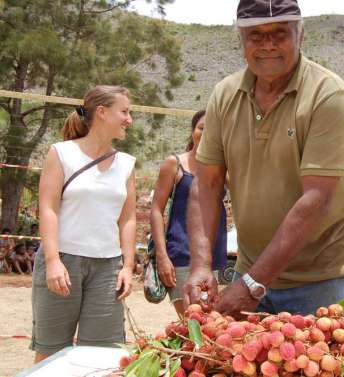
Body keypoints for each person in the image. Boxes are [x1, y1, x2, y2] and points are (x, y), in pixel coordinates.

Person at [184, 0, 344, 317]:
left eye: (280, 33)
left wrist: (253, 284)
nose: (267, 44)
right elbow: (206, 184)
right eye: (256, 35)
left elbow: (317, 198)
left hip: (320, 280)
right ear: (241, 40)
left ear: (301, 35)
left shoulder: (327, 94)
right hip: (249, 270)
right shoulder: (225, 95)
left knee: (319, 365)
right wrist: (200, 265)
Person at [31, 85, 136, 362]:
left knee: (102, 356)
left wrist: (127, 265)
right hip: (63, 262)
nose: (129, 119)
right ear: (101, 112)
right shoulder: (61, 153)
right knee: (50, 352)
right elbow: (48, 208)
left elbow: (128, 218)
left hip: (107, 268)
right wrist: (53, 260)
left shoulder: (126, 163)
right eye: (124, 112)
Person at [150, 110, 227, 317]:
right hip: (182, 256)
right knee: (193, 323)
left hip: (217, 257)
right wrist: (162, 256)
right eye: (202, 127)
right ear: (193, 131)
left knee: (215, 325)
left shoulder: (224, 169)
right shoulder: (174, 164)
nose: (206, 133)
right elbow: (156, 209)